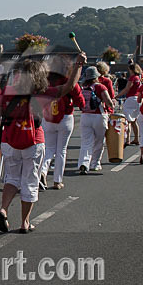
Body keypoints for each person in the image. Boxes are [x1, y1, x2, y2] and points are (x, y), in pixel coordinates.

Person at [0, 53, 86, 233]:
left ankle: (3, 209)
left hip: (10, 140)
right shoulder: (42, 93)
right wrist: (78, 65)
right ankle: (25, 223)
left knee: (12, 178)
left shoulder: (9, 91)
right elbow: (69, 87)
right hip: (33, 141)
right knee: (30, 181)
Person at [39, 62, 85, 190]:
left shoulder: (46, 82)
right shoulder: (68, 82)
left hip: (48, 117)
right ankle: (57, 181)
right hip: (65, 117)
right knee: (61, 151)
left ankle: (42, 171)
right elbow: (80, 101)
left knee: (48, 149)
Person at [77, 66, 116, 174]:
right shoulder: (100, 87)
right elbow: (108, 102)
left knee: (86, 142)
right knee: (99, 141)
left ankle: (83, 163)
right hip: (99, 116)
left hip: (85, 116)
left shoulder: (83, 87)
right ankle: (95, 163)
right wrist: (112, 105)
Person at [119, 62, 143, 146]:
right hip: (138, 99)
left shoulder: (132, 78)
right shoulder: (140, 78)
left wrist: (117, 95)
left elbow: (127, 89)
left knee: (128, 120)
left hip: (131, 99)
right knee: (134, 121)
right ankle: (136, 138)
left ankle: (128, 139)